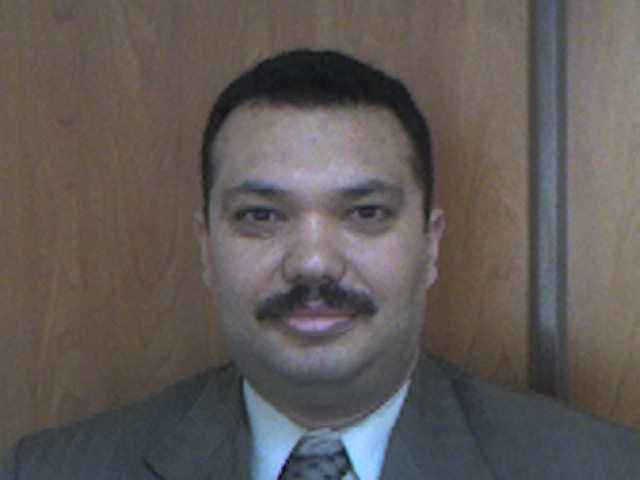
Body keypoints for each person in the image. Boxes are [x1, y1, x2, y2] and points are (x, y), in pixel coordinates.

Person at [1, 49, 638, 480]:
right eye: (261, 215)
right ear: (205, 247)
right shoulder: (53, 471)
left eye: (365, 213)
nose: (312, 262)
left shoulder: (601, 468)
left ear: (431, 245)